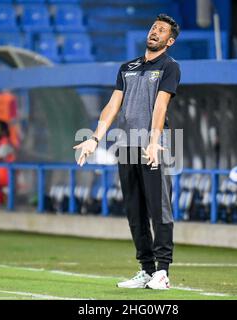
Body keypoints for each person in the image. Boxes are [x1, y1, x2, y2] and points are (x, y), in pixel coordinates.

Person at [73, 14, 181, 290]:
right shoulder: (127, 67)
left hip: (153, 146)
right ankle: (146, 270)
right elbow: (113, 105)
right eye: (153, 27)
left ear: (169, 41)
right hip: (126, 144)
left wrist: (155, 140)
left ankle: (163, 272)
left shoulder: (170, 67)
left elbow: (161, 106)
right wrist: (95, 139)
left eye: (162, 30)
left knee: (159, 208)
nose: (155, 31)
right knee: (135, 210)